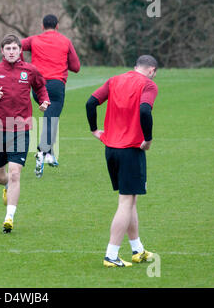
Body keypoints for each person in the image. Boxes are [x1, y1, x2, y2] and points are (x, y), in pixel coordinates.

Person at [85, 55, 158, 267]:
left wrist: (94, 130)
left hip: (111, 149)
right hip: (130, 150)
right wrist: (148, 139)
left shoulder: (114, 80)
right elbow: (145, 110)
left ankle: (137, 250)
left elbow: (90, 102)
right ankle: (111, 255)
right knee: (126, 202)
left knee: (130, 199)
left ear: (135, 67)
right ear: (152, 70)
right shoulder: (148, 85)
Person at [0, 34, 50, 233]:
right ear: (2, 51)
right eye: (8, 49)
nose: (12, 52)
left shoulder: (30, 70)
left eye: (15, 49)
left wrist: (43, 101)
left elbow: (41, 87)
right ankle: (6, 186)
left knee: (15, 174)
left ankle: (9, 217)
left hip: (21, 129)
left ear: (20, 50)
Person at [21, 14, 80, 178]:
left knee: (50, 117)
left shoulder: (34, 40)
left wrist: (22, 65)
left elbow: (16, 45)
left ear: (42, 26)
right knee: (51, 119)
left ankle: (50, 154)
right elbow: (76, 67)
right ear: (57, 26)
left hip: (37, 85)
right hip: (55, 85)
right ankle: (42, 151)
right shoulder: (65, 41)